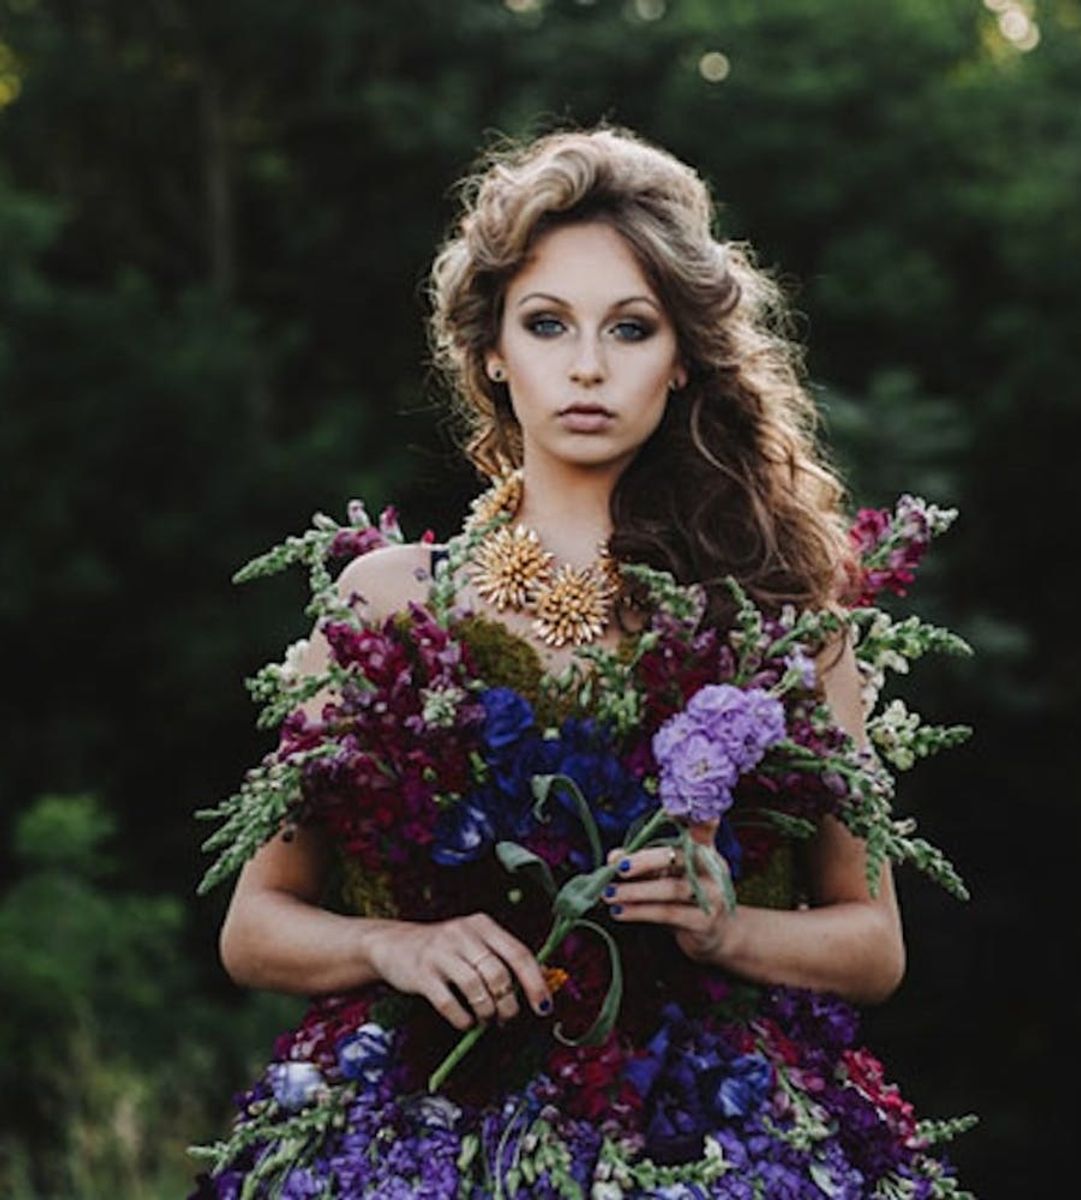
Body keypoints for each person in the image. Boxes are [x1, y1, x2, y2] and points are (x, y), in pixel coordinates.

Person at [193, 123, 969, 1199]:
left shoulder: (783, 619)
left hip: (713, 1141)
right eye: (549, 324)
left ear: (684, 354)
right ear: (494, 353)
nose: (589, 366)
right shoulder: (387, 603)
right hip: (422, 1130)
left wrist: (726, 926)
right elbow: (253, 925)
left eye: (632, 327)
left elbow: (874, 945)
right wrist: (394, 948)